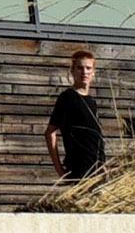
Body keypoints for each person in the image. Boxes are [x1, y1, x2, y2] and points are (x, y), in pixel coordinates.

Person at [45, 46, 107, 186]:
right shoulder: (67, 98)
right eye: (80, 68)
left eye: (88, 68)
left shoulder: (92, 101)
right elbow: (50, 132)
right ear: (72, 71)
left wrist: (103, 165)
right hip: (79, 170)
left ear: (93, 72)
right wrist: (59, 169)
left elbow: (95, 137)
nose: (84, 72)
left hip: (97, 170)